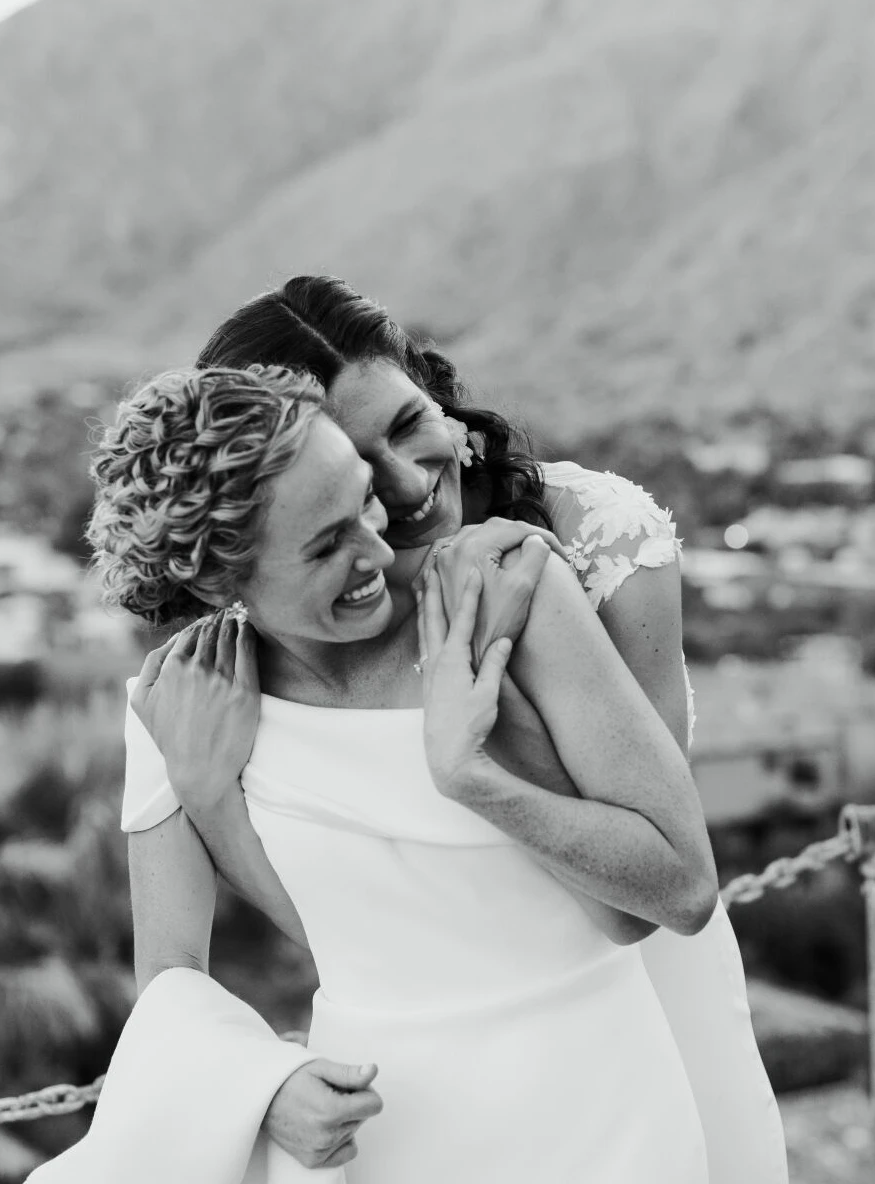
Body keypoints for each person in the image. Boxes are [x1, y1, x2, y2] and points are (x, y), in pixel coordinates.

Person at [142, 277, 787, 1180]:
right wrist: (208, 794)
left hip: (631, 967)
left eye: (411, 424)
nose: (403, 490)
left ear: (438, 397)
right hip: (441, 1035)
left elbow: (647, 882)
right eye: (358, 471)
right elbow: (383, 929)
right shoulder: (250, 652)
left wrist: (474, 750)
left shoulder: (590, 535)